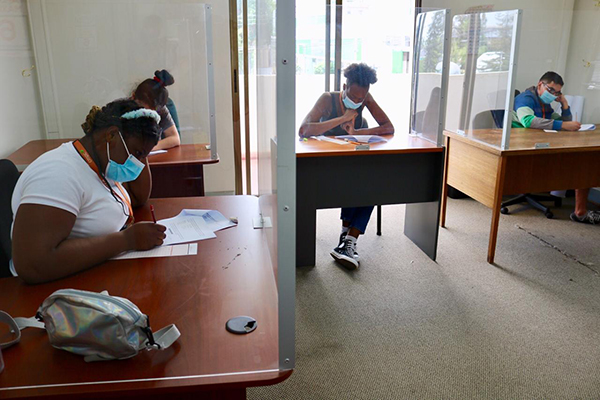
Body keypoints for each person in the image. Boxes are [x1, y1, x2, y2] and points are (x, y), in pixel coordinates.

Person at [11, 99, 167, 284]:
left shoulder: (102, 162)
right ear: (111, 135)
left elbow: (137, 198)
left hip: (95, 273)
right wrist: (127, 240)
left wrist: (142, 149)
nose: (139, 163)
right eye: (137, 153)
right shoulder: (57, 174)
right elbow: (33, 264)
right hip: (54, 292)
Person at [298, 63, 395, 270]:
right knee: (356, 181)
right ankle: (346, 240)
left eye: (362, 99)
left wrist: (356, 132)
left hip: (350, 163)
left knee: (371, 183)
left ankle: (349, 238)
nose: (358, 102)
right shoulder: (328, 99)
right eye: (354, 97)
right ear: (345, 86)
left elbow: (388, 127)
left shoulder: (365, 98)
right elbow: (304, 130)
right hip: (324, 165)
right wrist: (341, 119)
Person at [512, 71, 600, 224]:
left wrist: (564, 105)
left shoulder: (544, 103)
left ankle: (580, 211)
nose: (553, 94)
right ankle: (580, 210)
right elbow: (528, 121)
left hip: (539, 142)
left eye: (558, 92)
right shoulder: (526, 98)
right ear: (540, 85)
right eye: (551, 90)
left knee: (583, 160)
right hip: (521, 145)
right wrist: (563, 124)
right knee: (579, 162)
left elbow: (564, 122)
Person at [132, 70, 181, 151]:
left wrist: (150, 148)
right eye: (143, 110)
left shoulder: (160, 109)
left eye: (153, 112)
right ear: (133, 97)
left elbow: (175, 138)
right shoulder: (122, 108)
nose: (148, 115)